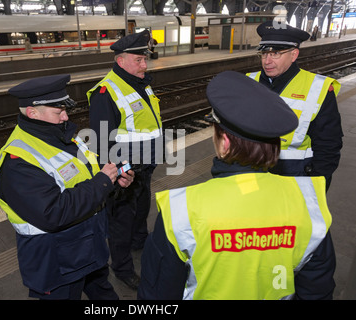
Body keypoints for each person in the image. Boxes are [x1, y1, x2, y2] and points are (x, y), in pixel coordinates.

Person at [138, 71, 336, 300]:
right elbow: (317, 290)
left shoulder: (180, 209)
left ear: (225, 142)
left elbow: (157, 295)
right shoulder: (309, 204)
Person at [0, 74, 134, 300]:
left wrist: (114, 179)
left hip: (89, 248)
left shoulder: (61, 135)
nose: (65, 116)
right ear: (32, 112)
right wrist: (103, 181)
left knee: (104, 293)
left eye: (65, 109)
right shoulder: (17, 162)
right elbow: (53, 212)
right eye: (58, 111)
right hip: (57, 263)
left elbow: (87, 174)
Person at [87, 30, 163, 290]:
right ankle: (122, 268)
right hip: (125, 173)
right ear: (121, 61)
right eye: (139, 60)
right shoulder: (106, 92)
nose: (145, 65)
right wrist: (118, 173)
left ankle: (139, 242)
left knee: (141, 210)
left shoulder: (140, 83)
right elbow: (100, 140)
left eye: (145, 59)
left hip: (145, 166)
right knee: (120, 222)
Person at [247, 20, 343, 191]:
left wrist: (314, 183)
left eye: (275, 53)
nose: (267, 61)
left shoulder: (317, 89)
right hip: (251, 178)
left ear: (294, 55)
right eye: (263, 54)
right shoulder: (248, 82)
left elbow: (328, 146)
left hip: (295, 181)